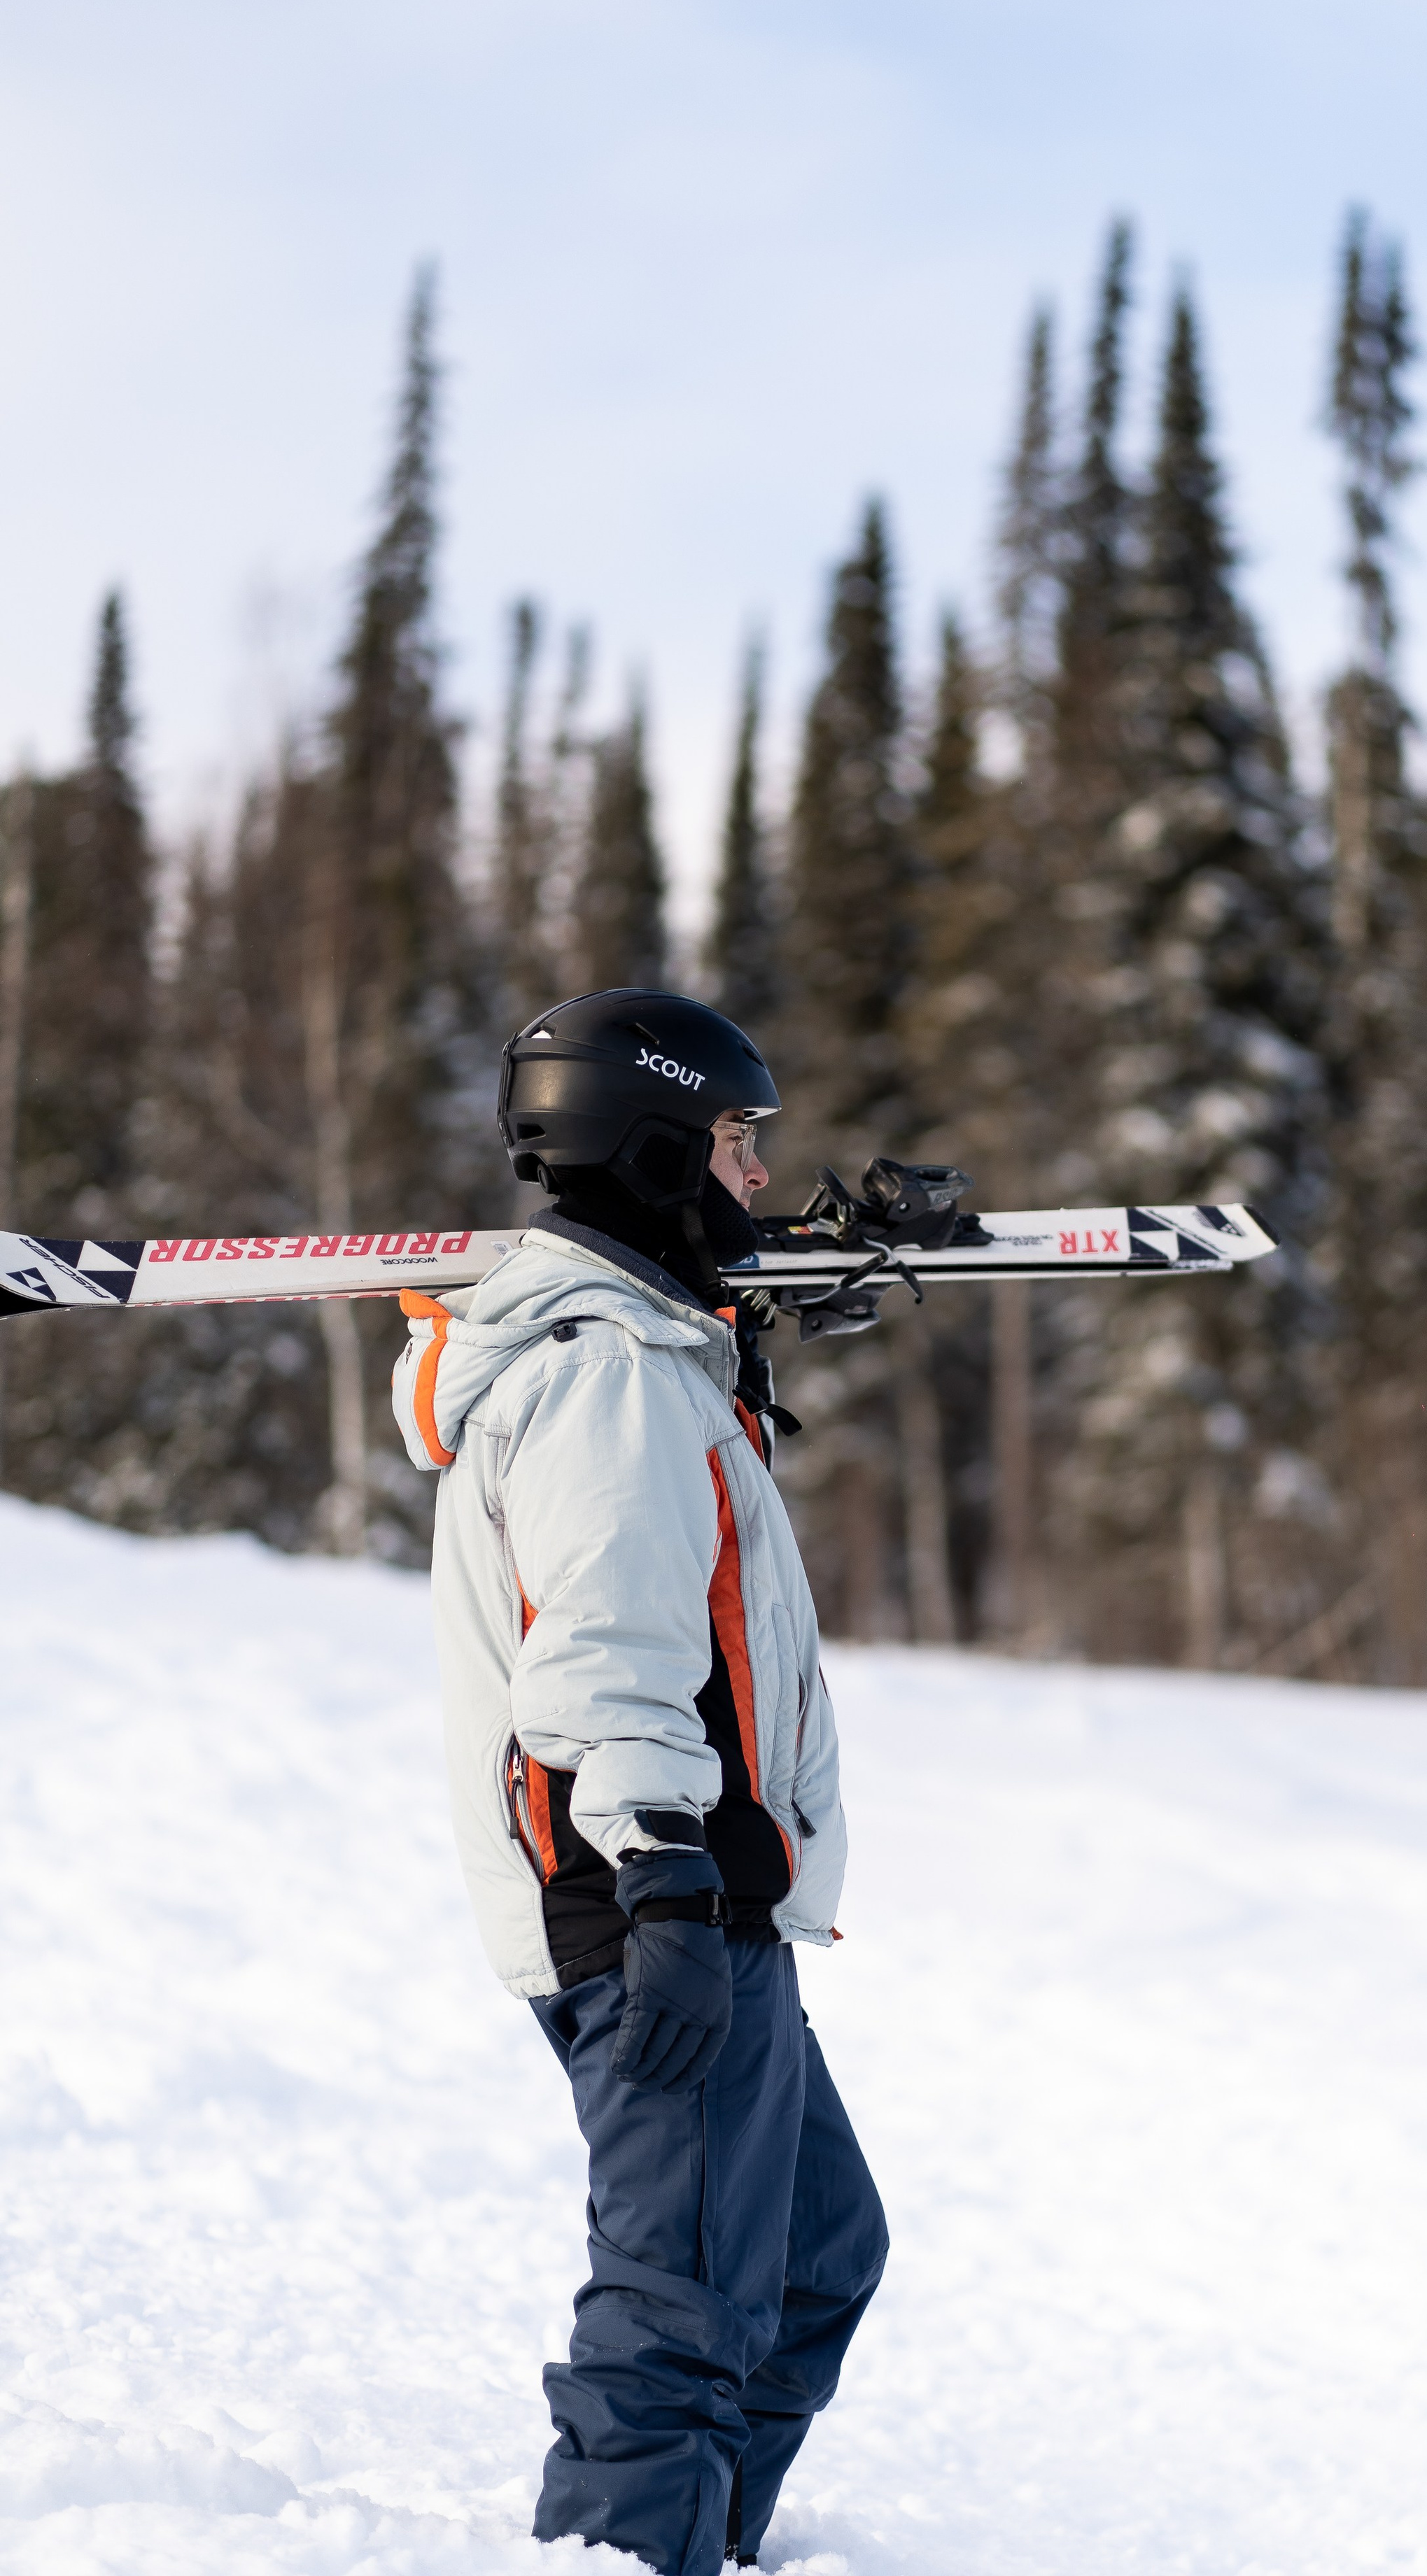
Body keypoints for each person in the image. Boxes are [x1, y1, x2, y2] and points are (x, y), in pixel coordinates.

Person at [391, 988, 888, 2573]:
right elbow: (603, 1648)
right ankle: (625, 2548)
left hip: (697, 1883)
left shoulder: (652, 1359)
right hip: (650, 1888)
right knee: (682, 2310)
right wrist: (663, 1870)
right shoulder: (605, 1375)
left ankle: (703, 2544)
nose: (759, 1175)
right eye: (737, 1140)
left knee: (811, 2258)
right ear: (660, 1144)